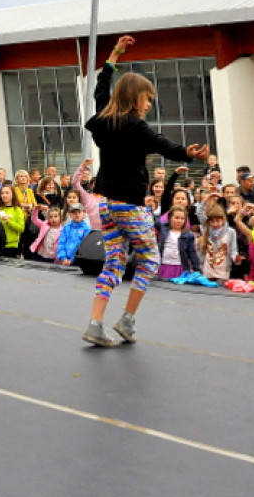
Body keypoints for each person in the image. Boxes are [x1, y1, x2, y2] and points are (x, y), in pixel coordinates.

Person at [81, 35, 209, 346]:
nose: (149, 104)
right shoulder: (136, 127)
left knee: (114, 262)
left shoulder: (104, 119)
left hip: (106, 204)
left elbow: (101, 88)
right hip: (131, 205)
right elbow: (161, 144)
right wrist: (187, 153)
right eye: (147, 98)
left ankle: (95, 324)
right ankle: (127, 320)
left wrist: (114, 55)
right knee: (150, 260)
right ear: (134, 97)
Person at [155, 206, 199, 280]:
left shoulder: (189, 235)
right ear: (170, 218)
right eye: (177, 218)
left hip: (180, 268)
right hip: (163, 266)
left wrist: (197, 270)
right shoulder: (163, 228)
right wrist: (148, 207)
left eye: (182, 218)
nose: (179, 221)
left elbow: (192, 253)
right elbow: (153, 219)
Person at [198, 203, 239, 281]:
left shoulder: (231, 232)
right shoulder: (207, 230)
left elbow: (233, 250)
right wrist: (205, 201)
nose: (215, 224)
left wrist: (236, 258)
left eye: (218, 221)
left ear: (223, 219)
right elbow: (199, 214)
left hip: (223, 270)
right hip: (207, 269)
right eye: (212, 221)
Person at [0, 184, 26, 258]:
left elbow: (21, 228)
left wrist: (9, 222)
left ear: (13, 195)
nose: (4, 195)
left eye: (7, 193)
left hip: (11, 246)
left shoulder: (17, 210)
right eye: (2, 193)